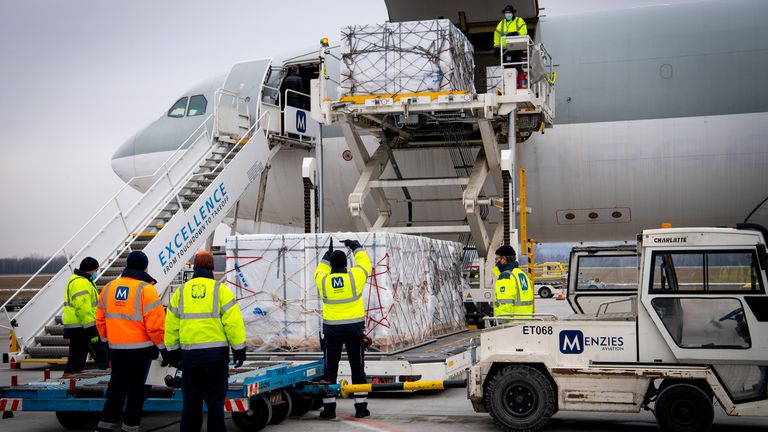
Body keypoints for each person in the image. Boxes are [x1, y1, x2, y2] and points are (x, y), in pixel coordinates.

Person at [165, 250, 247, 432]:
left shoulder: (181, 292)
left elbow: (171, 326)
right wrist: (239, 350)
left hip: (189, 358)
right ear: (212, 267)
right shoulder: (221, 290)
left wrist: (172, 353)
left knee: (191, 403)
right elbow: (233, 324)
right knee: (215, 404)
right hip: (215, 358)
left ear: (194, 267)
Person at [95, 251, 167, 432]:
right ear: (145, 267)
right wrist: (163, 349)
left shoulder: (109, 288)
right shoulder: (146, 289)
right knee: (137, 394)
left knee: (115, 391)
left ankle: (104, 428)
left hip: (116, 351)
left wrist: (105, 343)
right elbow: (155, 326)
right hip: (141, 352)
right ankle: (129, 429)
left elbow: (100, 320)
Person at [314, 239, 372, 419]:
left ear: (331, 265)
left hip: (332, 332)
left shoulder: (323, 280)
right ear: (346, 264)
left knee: (330, 369)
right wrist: (355, 246)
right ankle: (361, 408)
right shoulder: (354, 277)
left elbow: (319, 269)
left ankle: (329, 409)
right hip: (354, 331)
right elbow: (365, 264)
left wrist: (327, 254)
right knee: (357, 368)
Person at [62, 256, 108, 375]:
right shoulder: (81, 283)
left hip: (80, 328)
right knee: (101, 355)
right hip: (83, 328)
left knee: (76, 360)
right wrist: (92, 330)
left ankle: (69, 379)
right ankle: (110, 378)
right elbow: (83, 309)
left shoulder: (82, 281)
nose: (96, 273)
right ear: (90, 269)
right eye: (96, 270)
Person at [492, 244, 534, 323]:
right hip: (526, 322)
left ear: (504, 259)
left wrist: (500, 322)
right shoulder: (522, 274)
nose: (496, 262)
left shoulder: (506, 276)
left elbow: (505, 304)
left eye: (497, 259)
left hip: (511, 325)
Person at [493, 5, 528, 69]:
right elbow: (497, 35)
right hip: (505, 50)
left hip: (517, 48)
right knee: (506, 69)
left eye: (509, 12)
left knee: (517, 67)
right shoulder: (502, 23)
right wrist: (496, 47)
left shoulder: (519, 20)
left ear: (513, 13)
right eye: (506, 13)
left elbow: (524, 31)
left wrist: (515, 33)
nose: (507, 14)